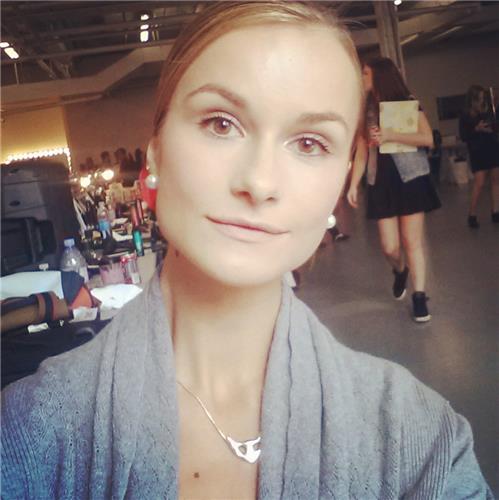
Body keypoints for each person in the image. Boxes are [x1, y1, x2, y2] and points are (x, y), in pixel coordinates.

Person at [1, 3, 491, 499]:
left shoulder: (423, 444)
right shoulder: (26, 433)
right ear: (156, 151)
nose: (259, 182)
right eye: (221, 123)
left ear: (341, 178)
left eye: (309, 143)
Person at [347, 57, 441, 323]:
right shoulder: (366, 110)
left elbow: (428, 139)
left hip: (410, 177)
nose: (362, 77)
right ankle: (400, 271)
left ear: (379, 75)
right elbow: (362, 150)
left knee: (412, 242)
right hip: (381, 180)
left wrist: (390, 136)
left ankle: (419, 296)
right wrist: (353, 184)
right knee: (389, 247)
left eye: (366, 73)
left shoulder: (407, 102)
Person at [459, 84, 499, 228]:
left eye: (483, 97)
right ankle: (472, 214)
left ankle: (495, 211)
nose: (483, 100)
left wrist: (491, 129)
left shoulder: (489, 110)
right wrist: (477, 129)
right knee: (479, 183)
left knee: (496, 180)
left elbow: (495, 126)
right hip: (478, 151)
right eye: (480, 98)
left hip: (492, 146)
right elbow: (464, 136)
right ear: (473, 99)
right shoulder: (465, 115)